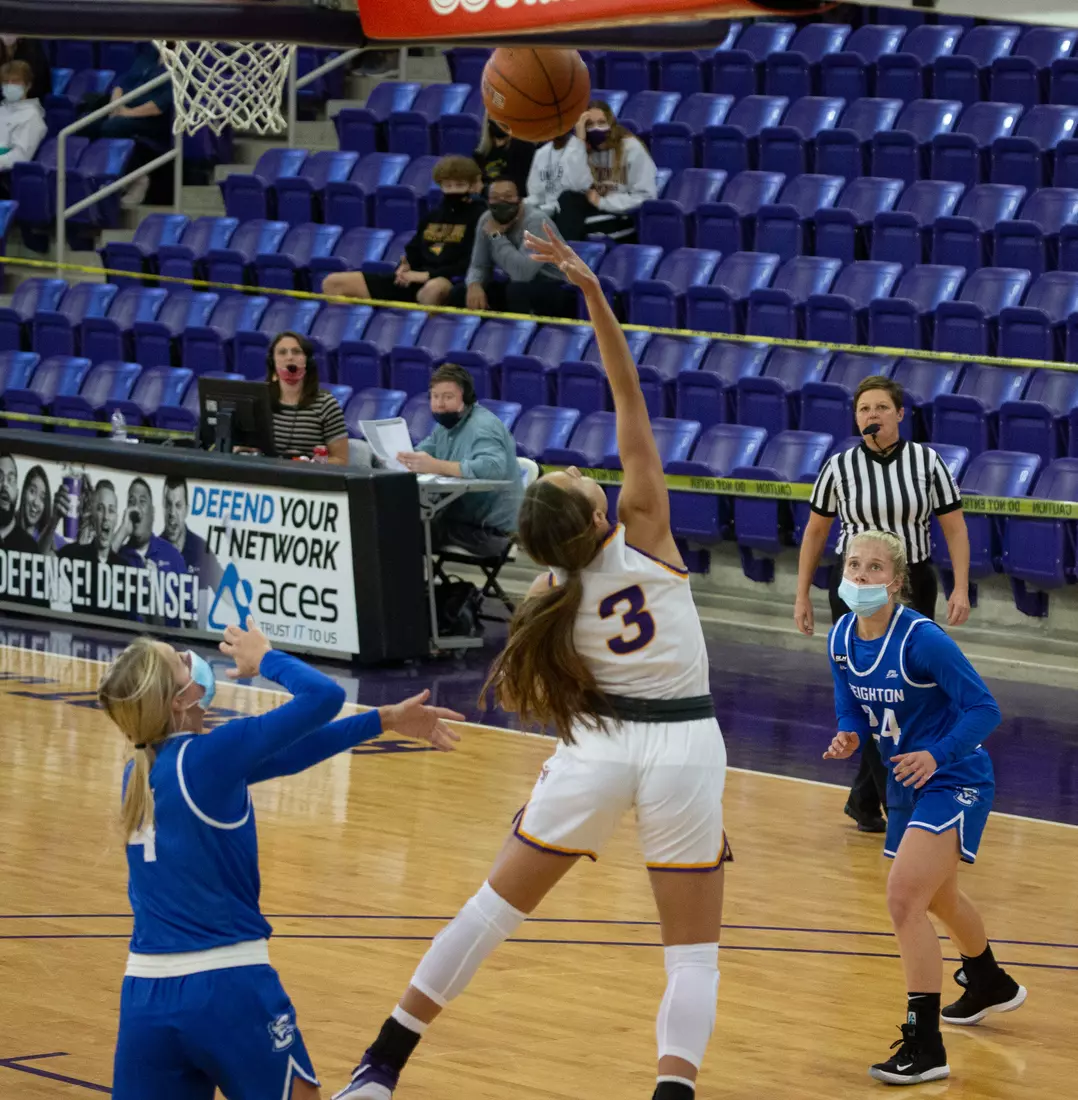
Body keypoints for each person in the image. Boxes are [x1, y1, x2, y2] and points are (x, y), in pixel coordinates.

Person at [337, 232, 728, 1100]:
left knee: (489, 912)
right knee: (692, 954)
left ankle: (379, 1067)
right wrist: (593, 295)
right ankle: (672, 1091)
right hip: (685, 750)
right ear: (600, 516)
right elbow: (628, 398)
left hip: (596, 749)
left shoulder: (547, 596)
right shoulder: (648, 535)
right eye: (585, 481)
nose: (590, 474)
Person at [99, 617, 462, 1100]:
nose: (192, 660)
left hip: (145, 996)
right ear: (179, 699)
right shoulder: (211, 756)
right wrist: (264, 657)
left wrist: (384, 720)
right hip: (227, 989)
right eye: (180, 661)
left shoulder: (139, 773)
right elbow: (323, 699)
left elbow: (291, 754)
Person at [824, 531, 1026, 1086]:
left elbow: (985, 709)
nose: (860, 576)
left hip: (955, 776)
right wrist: (847, 733)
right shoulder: (842, 636)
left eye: (873, 568)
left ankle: (926, 1044)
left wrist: (937, 755)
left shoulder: (922, 639)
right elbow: (849, 699)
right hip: (904, 783)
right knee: (939, 897)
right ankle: (987, 981)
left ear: (895, 580)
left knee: (903, 897)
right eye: (853, 565)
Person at [795, 375, 972, 835]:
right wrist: (802, 594)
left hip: (911, 578)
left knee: (910, 692)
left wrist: (961, 586)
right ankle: (891, 803)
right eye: (863, 410)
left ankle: (866, 797)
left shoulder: (928, 463)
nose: (871, 416)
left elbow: (954, 526)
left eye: (879, 408)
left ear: (900, 413)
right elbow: (815, 532)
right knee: (866, 692)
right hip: (854, 583)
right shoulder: (838, 467)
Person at [322, 155, 485, 307]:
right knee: (333, 282)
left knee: (433, 289)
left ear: (472, 186)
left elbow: (473, 262)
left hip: (451, 280)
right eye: (448, 185)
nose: (453, 191)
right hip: (415, 277)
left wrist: (427, 275)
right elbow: (414, 250)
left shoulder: (482, 216)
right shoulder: (433, 215)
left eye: (459, 185)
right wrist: (403, 269)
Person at [396, 363, 522, 557]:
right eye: (435, 396)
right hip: (461, 523)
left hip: (490, 532)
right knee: (399, 523)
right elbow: (424, 451)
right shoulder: (446, 427)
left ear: (467, 399)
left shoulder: (482, 426)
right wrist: (403, 458)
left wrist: (436, 466)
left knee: (402, 532)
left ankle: (413, 587)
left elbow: (493, 467)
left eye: (448, 397)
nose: (439, 404)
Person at [448, 177, 576, 318]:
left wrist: (496, 236)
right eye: (495, 197)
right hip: (518, 285)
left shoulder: (537, 221)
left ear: (520, 200)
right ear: (488, 201)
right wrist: (474, 285)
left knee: (516, 290)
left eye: (508, 196)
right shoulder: (486, 219)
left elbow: (522, 273)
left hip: (558, 286)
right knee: (461, 292)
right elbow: (479, 265)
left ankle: (522, 337)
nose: (502, 202)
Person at [552, 101, 658, 243]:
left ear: (611, 123)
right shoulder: (583, 148)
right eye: (589, 125)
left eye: (602, 123)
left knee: (570, 227)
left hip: (622, 216)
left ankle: (561, 259)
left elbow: (646, 197)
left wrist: (603, 202)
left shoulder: (631, 148)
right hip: (591, 211)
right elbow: (571, 184)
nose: (596, 129)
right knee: (566, 201)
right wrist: (579, 142)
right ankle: (563, 257)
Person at [93, 43, 173, 208]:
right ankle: (96, 178)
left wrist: (127, 113)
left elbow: (159, 106)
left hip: (154, 121)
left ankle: (137, 178)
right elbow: (121, 84)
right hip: (125, 112)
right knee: (88, 123)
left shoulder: (182, 64)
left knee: (112, 128)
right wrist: (115, 106)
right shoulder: (148, 54)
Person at [267, 331, 350, 463]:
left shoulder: (326, 404)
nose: (289, 358)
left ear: (308, 361)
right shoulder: (260, 400)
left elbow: (342, 460)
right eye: (282, 352)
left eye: (296, 352)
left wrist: (311, 464)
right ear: (272, 362)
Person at [113, 477, 187, 575]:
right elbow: (97, 572)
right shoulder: (118, 555)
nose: (136, 508)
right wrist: (122, 531)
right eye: (132, 502)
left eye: (142, 501)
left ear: (152, 513)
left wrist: (157, 585)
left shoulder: (173, 557)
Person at [162, 474, 222, 591]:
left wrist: (236, 555)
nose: (172, 513)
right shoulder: (152, 550)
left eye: (178, 506)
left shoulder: (201, 550)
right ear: (163, 507)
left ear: (186, 510)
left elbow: (232, 596)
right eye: (168, 504)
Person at [525, 128, 592, 226]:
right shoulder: (541, 153)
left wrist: (551, 208)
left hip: (572, 208)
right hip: (547, 209)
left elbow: (580, 187)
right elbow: (535, 193)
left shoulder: (578, 148)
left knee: (567, 200)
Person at [0, 60, 46, 197]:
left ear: (28, 85)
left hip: (6, 179)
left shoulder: (32, 116)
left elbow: (20, 157)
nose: (10, 85)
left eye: (15, 82)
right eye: (5, 82)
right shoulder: (2, 110)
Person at [473, 113, 534, 196]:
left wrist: (485, 190)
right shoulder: (480, 152)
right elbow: (476, 186)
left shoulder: (523, 147)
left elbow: (520, 186)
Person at [0, 451, 38, 553]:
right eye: (0, 477)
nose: (4, 484)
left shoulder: (30, 549)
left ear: (17, 491)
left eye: (11, 479)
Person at [0, 35, 50, 101]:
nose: (10, 84)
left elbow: (40, 82)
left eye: (15, 81)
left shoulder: (32, 49)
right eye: (6, 81)